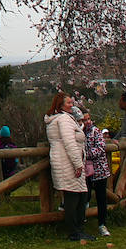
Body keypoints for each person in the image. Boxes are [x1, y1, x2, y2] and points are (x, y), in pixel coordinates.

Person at [46, 92, 89, 241]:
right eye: (68, 103)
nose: (72, 105)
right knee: (74, 197)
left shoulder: (59, 118)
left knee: (77, 196)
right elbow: (69, 142)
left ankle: (77, 230)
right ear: (61, 105)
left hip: (64, 161)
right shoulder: (64, 119)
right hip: (68, 163)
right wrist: (78, 164)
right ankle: (75, 231)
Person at [81, 110, 112, 237]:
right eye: (84, 120)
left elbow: (100, 148)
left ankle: (102, 224)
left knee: (101, 197)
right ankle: (82, 220)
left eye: (88, 119)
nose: (87, 122)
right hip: (85, 171)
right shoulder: (79, 133)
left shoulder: (96, 131)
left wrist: (85, 155)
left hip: (99, 169)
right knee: (85, 195)